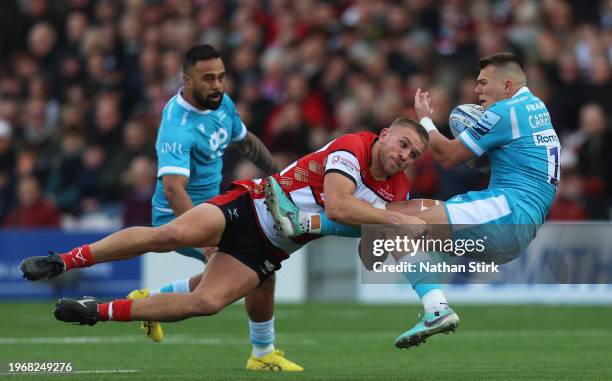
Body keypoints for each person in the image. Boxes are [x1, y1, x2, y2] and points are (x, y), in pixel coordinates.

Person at [19, 117, 428, 360]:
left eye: (413, 155)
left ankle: (96, 311)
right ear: (385, 133)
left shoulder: (399, 190)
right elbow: (338, 207)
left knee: (207, 302)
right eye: (403, 144)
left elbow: (367, 252)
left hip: (272, 246)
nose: (405, 156)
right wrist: (394, 220)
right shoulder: (353, 146)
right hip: (252, 206)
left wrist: (390, 238)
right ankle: (65, 261)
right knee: (171, 234)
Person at [264, 52, 560, 349]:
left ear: (507, 86)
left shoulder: (506, 111)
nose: (477, 91)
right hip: (520, 224)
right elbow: (518, 164)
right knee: (397, 224)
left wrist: (427, 120)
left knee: (394, 219)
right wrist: (486, 158)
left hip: (505, 210)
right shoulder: (535, 108)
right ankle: (435, 308)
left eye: (483, 83)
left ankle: (303, 221)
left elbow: (446, 156)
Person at [124, 44, 303, 371]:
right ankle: (262, 354)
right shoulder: (177, 127)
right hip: (181, 214)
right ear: (187, 80)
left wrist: (280, 178)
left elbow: (246, 141)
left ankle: (151, 301)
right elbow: (173, 190)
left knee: (239, 272)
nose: (217, 84)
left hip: (216, 209)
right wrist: (205, 241)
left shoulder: (221, 104)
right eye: (208, 78)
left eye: (221, 76)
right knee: (257, 267)